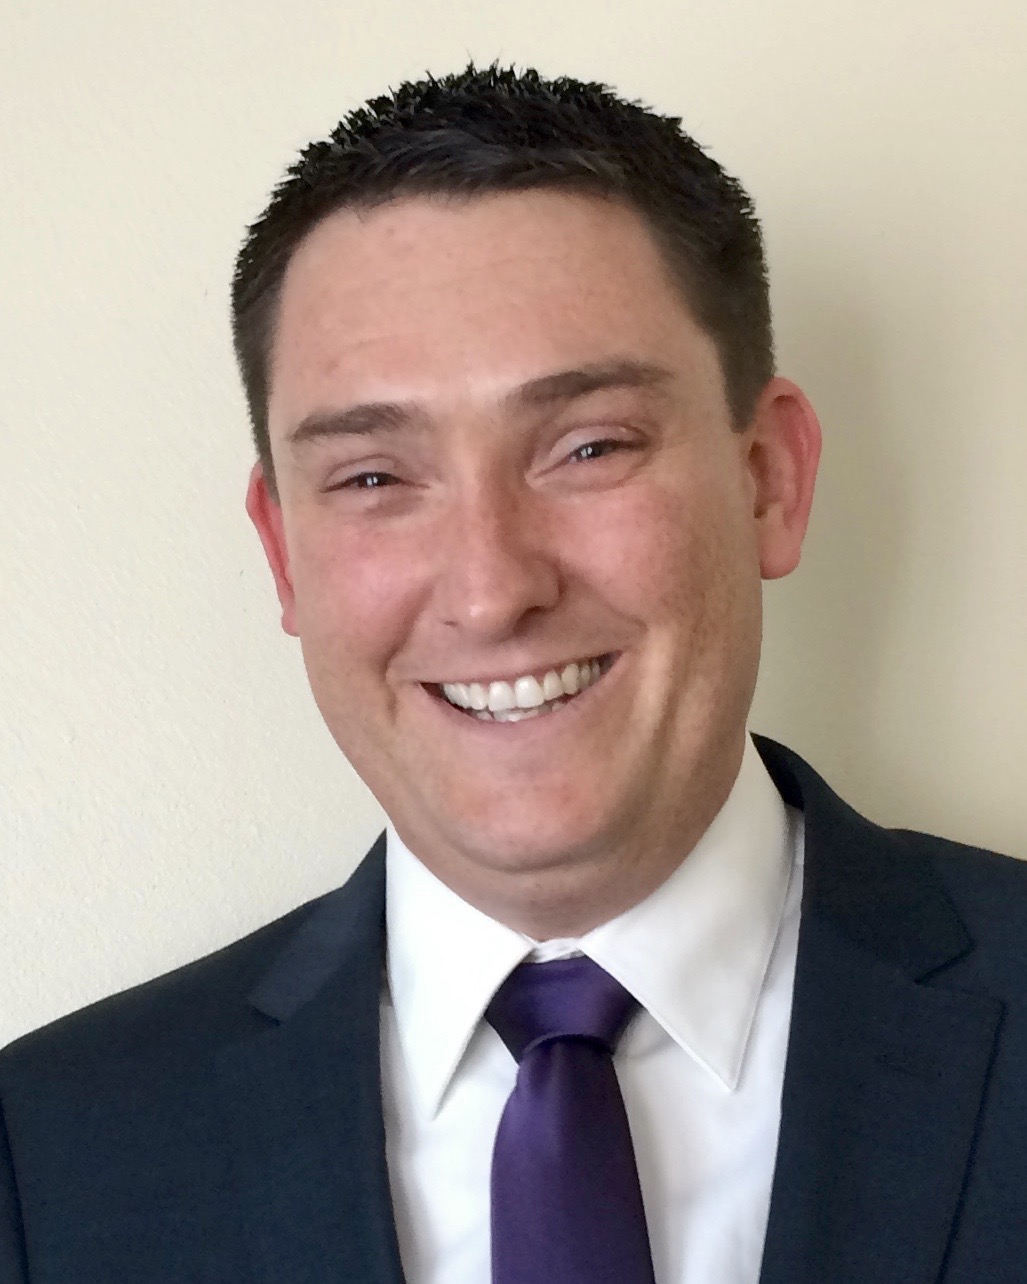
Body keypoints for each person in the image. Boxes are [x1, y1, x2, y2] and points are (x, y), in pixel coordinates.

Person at [1, 62, 1025, 1284]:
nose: (492, 590)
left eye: (587, 446)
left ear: (768, 480)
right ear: (282, 553)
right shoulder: (46, 1154)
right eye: (375, 478)